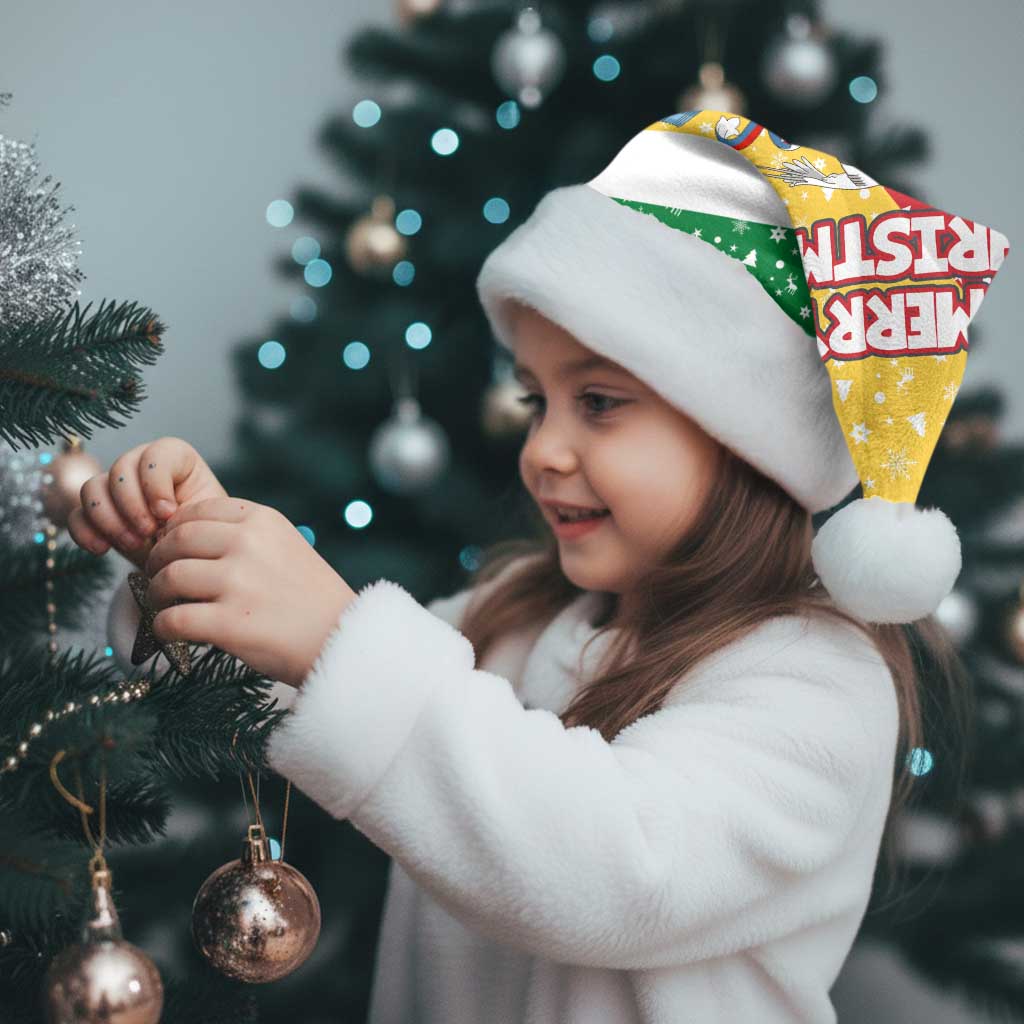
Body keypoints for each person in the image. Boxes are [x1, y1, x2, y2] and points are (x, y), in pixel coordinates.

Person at [72, 108, 1010, 1023]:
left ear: (746, 438)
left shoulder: (818, 682)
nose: (542, 451)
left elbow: (617, 871)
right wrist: (193, 563)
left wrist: (334, 638)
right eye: (535, 402)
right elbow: (303, 691)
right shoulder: (516, 616)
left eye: (598, 402)